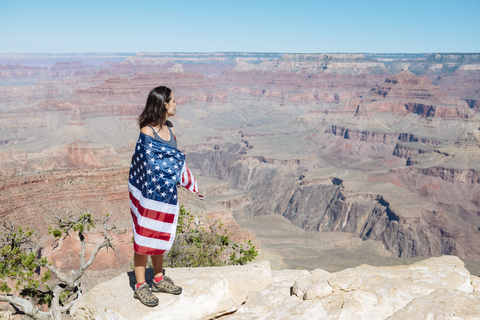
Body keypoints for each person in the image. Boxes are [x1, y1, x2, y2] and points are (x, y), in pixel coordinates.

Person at [128, 86, 202, 307]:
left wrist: (177, 168)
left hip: (165, 192)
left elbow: (171, 159)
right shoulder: (147, 131)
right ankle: (140, 286)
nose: (176, 104)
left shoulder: (170, 128)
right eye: (173, 101)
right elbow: (146, 164)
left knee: (159, 234)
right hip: (148, 192)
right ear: (164, 104)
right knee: (143, 236)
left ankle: (158, 278)